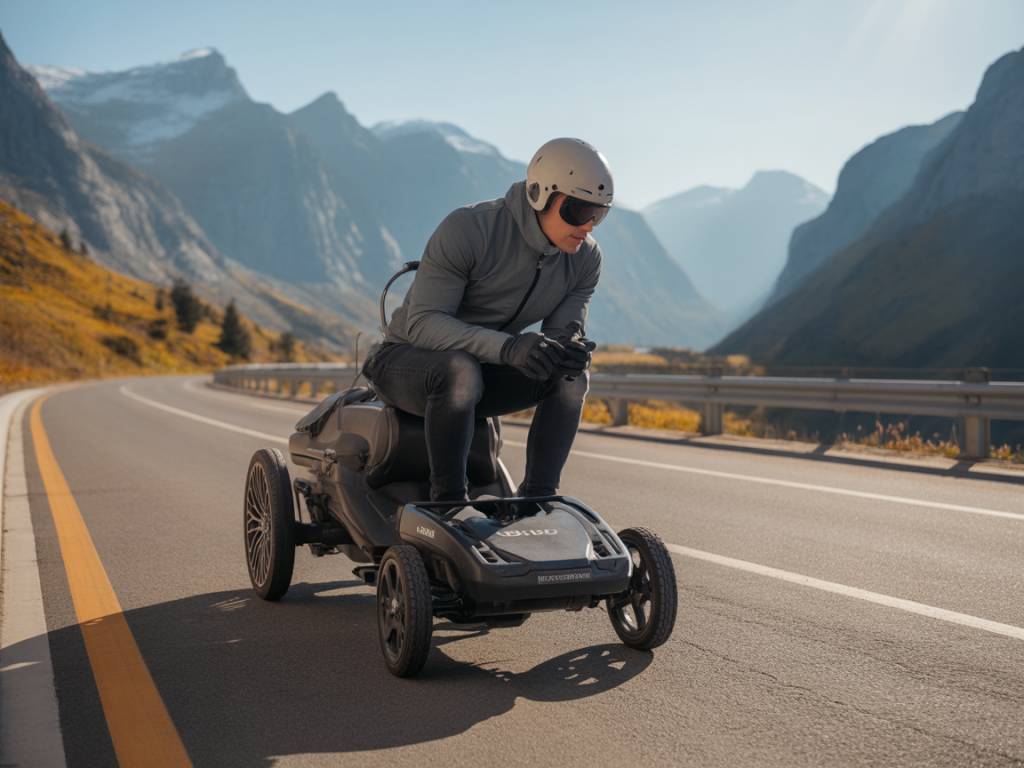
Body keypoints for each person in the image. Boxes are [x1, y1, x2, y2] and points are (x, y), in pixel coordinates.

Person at [362, 137, 613, 503]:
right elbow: (424, 323)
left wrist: (568, 350)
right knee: (460, 369)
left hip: (483, 372)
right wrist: (509, 348)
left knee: (571, 377)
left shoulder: (585, 258)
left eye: (599, 214)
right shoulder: (469, 229)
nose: (588, 225)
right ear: (540, 194)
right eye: (578, 210)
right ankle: (449, 502)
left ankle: (538, 499)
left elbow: (562, 332)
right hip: (405, 363)